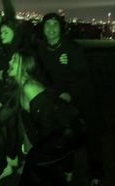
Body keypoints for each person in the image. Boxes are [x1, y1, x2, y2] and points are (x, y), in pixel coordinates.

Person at [36, 13, 104, 185]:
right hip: (61, 99)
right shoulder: (42, 48)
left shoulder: (72, 48)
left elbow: (84, 77)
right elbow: (44, 75)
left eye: (55, 25)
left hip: (83, 97)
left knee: (90, 135)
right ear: (43, 29)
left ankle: (97, 174)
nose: (51, 28)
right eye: (47, 25)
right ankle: (68, 169)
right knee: (65, 134)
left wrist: (70, 93)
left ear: (61, 28)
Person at [7, 51, 86, 186]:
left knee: (35, 161)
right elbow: (33, 123)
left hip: (70, 130)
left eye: (14, 60)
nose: (9, 62)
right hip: (61, 130)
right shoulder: (21, 86)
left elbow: (48, 126)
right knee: (42, 164)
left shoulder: (29, 88)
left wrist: (40, 151)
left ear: (24, 66)